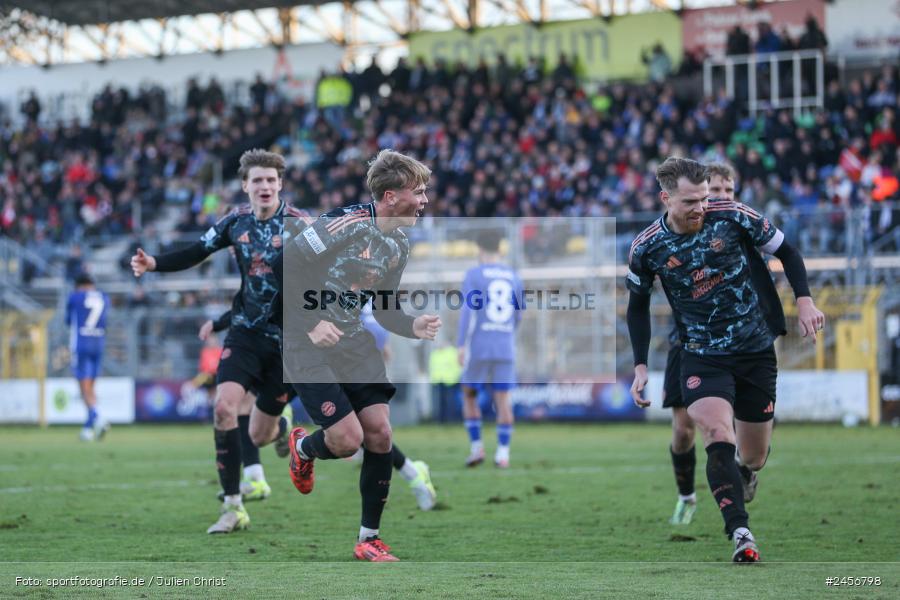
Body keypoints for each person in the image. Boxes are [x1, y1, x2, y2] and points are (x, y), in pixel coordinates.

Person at [626, 157, 824, 563]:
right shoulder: (647, 248)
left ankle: (744, 472)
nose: (701, 207)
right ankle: (740, 532)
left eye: (703, 198)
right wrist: (641, 365)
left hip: (754, 351)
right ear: (665, 199)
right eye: (689, 201)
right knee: (716, 433)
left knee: (753, 456)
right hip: (701, 355)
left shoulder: (733, 216)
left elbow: (788, 251)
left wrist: (804, 301)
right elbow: (636, 306)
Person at [276, 149, 441, 561]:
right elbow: (285, 266)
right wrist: (312, 322)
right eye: (417, 192)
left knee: (381, 433)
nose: (424, 201)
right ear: (389, 196)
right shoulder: (343, 223)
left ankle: (369, 539)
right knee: (347, 441)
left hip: (352, 341)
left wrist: (412, 326)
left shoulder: (399, 245)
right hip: (304, 340)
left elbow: (385, 308)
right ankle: (304, 449)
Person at [131, 149, 303, 534]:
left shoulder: (301, 226)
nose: (264, 186)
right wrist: (154, 263)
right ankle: (233, 507)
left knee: (260, 433)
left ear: (280, 185)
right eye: (257, 180)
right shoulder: (234, 222)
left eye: (271, 180)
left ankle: (281, 425)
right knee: (225, 408)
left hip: (288, 343)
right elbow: (196, 251)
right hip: (244, 333)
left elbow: (328, 273)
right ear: (245, 185)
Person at [661, 163, 787, 526]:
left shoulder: (740, 226)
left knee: (742, 436)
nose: (719, 199)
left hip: (748, 341)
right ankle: (686, 495)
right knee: (684, 428)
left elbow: (773, 269)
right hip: (692, 343)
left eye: (727, 192)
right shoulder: (678, 231)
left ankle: (740, 467)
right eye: (713, 191)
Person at [198, 311, 289, 503]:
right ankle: (255, 479)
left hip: (281, 344)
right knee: (236, 407)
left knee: (259, 435)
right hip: (248, 340)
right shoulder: (251, 283)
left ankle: (282, 426)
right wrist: (219, 323)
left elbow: (271, 301)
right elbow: (248, 299)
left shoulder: (286, 282)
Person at [457, 230, 524, 468]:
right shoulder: (514, 276)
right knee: (503, 400)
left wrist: (461, 345)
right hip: (505, 345)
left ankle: (477, 448)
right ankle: (503, 454)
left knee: (469, 394)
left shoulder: (474, 275)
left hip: (480, 345)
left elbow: (468, 313)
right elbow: (518, 315)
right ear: (500, 249)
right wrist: (505, 334)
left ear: (479, 249)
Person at [65, 273, 110, 442]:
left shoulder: (75, 297)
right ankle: (88, 428)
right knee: (90, 387)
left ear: (78, 285)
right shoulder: (104, 297)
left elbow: (69, 321)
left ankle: (98, 418)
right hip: (98, 343)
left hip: (81, 345)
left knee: (84, 387)